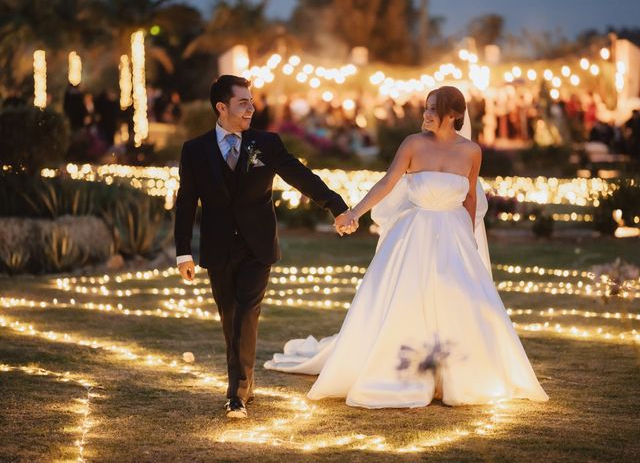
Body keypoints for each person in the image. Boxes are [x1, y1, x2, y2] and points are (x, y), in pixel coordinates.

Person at [266, 86, 549, 408]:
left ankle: (455, 376)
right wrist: (354, 212)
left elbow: (470, 197)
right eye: (426, 109)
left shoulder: (471, 152)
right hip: (414, 234)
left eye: (433, 110)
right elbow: (388, 182)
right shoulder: (413, 144)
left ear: (454, 115)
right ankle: (405, 371)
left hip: (455, 234)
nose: (426, 115)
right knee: (407, 298)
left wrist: (469, 236)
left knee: (459, 300)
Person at [174, 75, 351, 418]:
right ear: (221, 107)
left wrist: (336, 205)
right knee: (230, 319)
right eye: (243, 103)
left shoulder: (265, 143)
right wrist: (184, 252)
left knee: (245, 314)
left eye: (252, 102)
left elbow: (299, 175)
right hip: (218, 246)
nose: (251, 109)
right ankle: (246, 382)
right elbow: (186, 204)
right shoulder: (194, 150)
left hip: (258, 246)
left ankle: (237, 393)